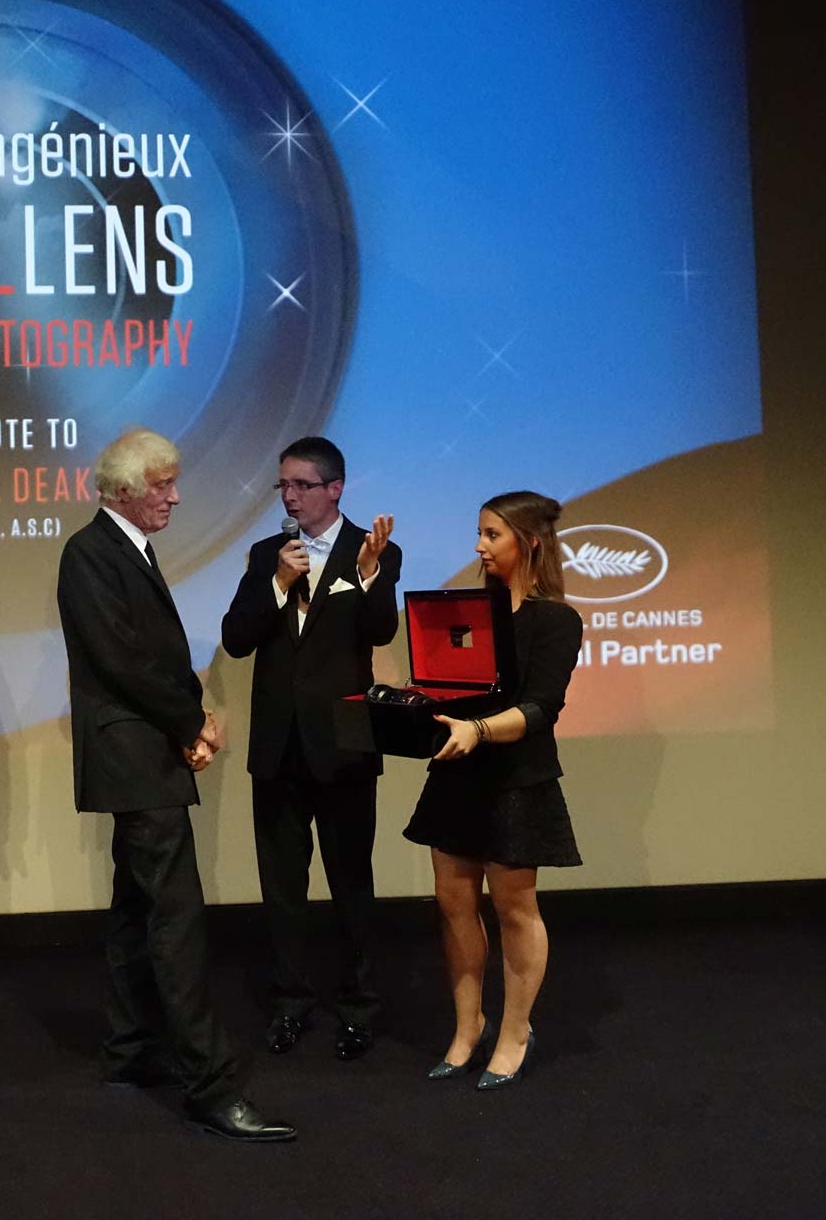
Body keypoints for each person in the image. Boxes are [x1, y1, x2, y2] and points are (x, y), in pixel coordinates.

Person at [55, 427, 296, 1143]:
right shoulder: (90, 552)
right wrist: (193, 722)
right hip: (133, 758)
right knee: (177, 919)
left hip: (144, 752)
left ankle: (130, 1050)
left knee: (137, 908)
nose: (175, 497)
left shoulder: (127, 548)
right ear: (126, 490)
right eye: (162, 485)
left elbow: (149, 655)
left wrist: (192, 721)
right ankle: (210, 1087)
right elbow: (122, 662)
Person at [220, 437, 400, 1062]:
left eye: (301, 485)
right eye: (283, 486)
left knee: (351, 882)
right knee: (282, 887)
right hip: (277, 747)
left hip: (343, 744)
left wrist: (370, 574)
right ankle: (290, 1004)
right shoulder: (267, 554)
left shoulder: (372, 549)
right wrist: (277, 582)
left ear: (334, 488)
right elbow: (236, 639)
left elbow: (380, 630)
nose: (289, 496)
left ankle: (358, 1007)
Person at [401, 490, 583, 1089]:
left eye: (491, 535)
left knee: (514, 908)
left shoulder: (555, 620)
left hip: (516, 780)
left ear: (527, 542)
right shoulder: (470, 610)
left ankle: (515, 1032)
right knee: (453, 904)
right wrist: (416, 700)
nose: (479, 546)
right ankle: (467, 1028)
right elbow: (452, 686)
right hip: (457, 775)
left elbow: (540, 709)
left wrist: (478, 730)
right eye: (479, 533)